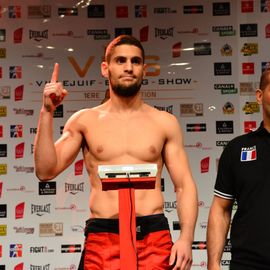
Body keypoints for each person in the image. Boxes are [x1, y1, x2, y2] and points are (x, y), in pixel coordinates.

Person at [34, 35, 198, 270]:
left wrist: (186, 239)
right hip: (103, 236)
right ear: (105, 68)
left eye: (136, 61)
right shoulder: (85, 120)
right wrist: (47, 112)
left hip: (154, 236)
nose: (129, 67)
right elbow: (45, 170)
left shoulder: (165, 122)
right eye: (120, 60)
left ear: (144, 69)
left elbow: (184, 185)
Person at [207, 69, 270, 270]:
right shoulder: (237, 149)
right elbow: (221, 208)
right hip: (248, 264)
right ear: (259, 96)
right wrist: (213, 264)